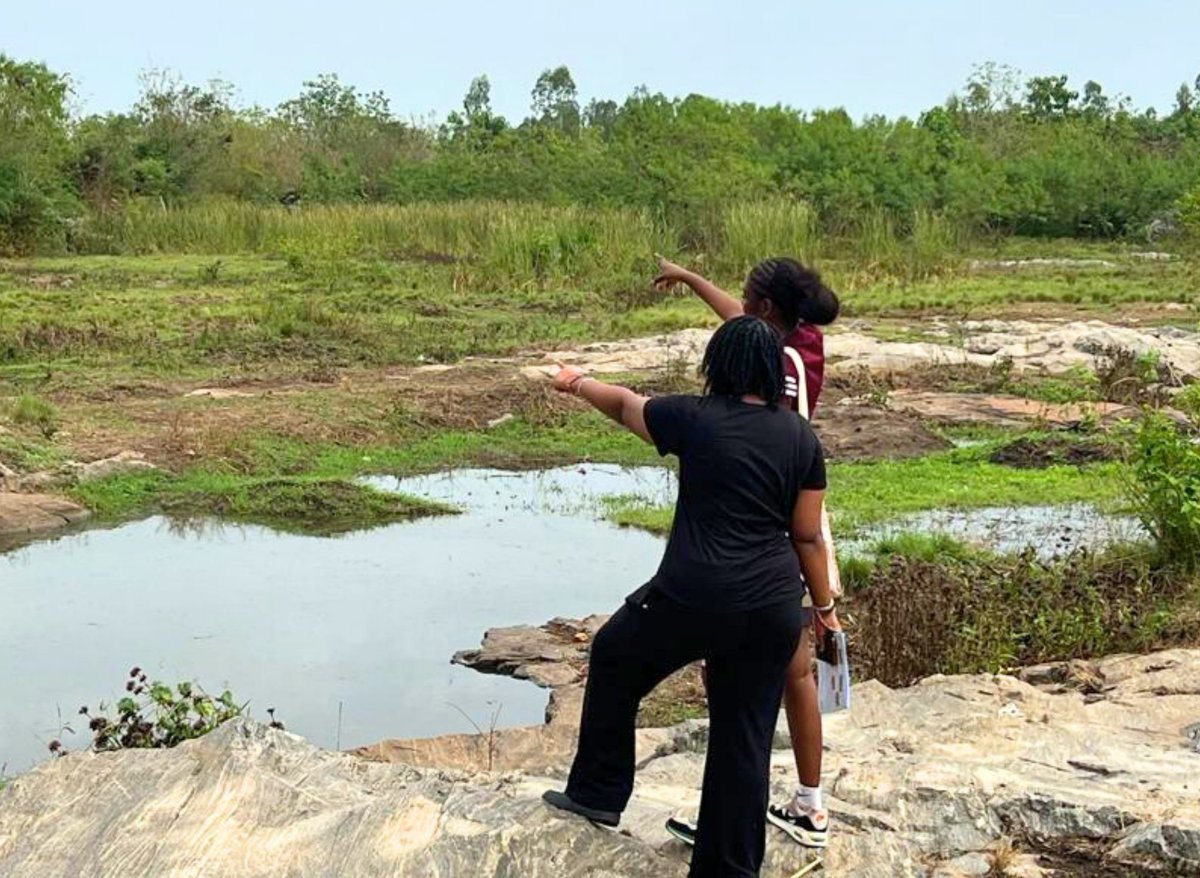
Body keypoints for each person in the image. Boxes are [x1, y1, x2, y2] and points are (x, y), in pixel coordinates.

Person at [542, 316, 836, 878]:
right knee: (743, 735)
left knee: (614, 657)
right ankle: (729, 869)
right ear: (771, 371)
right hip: (770, 606)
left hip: (692, 594)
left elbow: (625, 405)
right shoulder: (801, 437)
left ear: (716, 365)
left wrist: (578, 382)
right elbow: (806, 535)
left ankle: (598, 793)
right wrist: (824, 610)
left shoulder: (693, 417)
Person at [654, 254, 841, 849]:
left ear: (764, 309)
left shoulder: (772, 361)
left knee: (747, 672)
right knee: (790, 671)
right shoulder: (804, 344)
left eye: (745, 297)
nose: (736, 305)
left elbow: (737, 327)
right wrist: (690, 278)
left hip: (766, 525)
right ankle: (803, 804)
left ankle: (744, 817)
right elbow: (736, 316)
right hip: (799, 517)